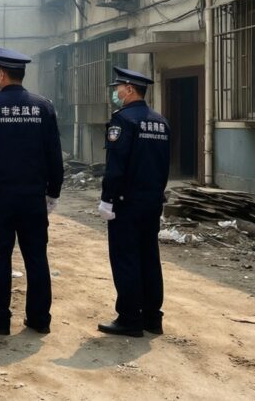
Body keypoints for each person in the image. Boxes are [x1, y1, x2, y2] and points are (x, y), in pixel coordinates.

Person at [0, 47, 64, 335]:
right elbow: (54, 154)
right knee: (36, 257)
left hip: (0, 199)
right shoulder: (43, 107)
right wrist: (53, 191)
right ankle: (39, 319)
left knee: (0, 256)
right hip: (33, 198)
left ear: (0, 74)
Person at [97, 66, 171, 337]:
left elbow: (116, 166)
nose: (116, 92)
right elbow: (164, 166)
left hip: (126, 203)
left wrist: (108, 199)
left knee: (126, 258)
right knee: (149, 257)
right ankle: (153, 318)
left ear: (129, 89)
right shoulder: (160, 122)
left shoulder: (123, 121)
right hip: (151, 202)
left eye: (118, 88)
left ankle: (129, 317)